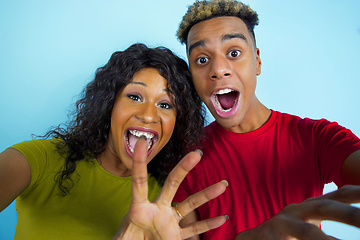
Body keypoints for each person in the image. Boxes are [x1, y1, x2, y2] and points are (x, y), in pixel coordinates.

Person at [0, 43, 229, 240]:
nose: (148, 115)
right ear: (110, 104)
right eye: (135, 97)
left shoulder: (174, 208)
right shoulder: (32, 161)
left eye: (165, 104)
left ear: (177, 122)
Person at [172, 1, 360, 239]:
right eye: (201, 59)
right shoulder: (183, 162)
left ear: (257, 60)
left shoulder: (318, 137)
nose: (218, 69)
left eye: (234, 53)